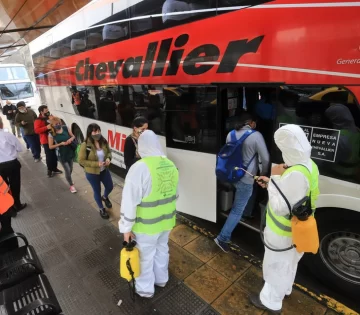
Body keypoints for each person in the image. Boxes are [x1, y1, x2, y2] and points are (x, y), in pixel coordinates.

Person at [250, 124, 320, 314]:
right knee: (289, 263)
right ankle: (284, 289)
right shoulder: (309, 165)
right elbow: (293, 194)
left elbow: (281, 207)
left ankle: (270, 301)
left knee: (276, 265)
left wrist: (271, 183)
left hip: (283, 232)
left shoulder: (296, 173)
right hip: (298, 229)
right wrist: (273, 183)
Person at [119, 130, 179, 298]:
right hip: (166, 222)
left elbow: (129, 202)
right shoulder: (170, 165)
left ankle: (145, 290)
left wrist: (126, 229)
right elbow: (176, 194)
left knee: (145, 257)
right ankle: (161, 279)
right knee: (162, 250)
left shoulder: (139, 168)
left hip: (146, 226)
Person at [214, 112, 270, 253]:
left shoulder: (230, 134)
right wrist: (263, 175)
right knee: (237, 209)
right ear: (251, 122)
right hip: (246, 178)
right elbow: (266, 158)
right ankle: (222, 238)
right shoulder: (256, 136)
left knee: (240, 202)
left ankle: (247, 213)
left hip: (232, 175)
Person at [79, 123, 113, 219]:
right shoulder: (85, 145)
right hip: (92, 173)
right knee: (97, 190)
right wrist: (96, 164)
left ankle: (105, 197)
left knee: (110, 186)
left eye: (98, 131)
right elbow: (81, 160)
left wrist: (108, 159)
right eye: (94, 131)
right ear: (90, 133)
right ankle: (101, 209)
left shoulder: (103, 141)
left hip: (104, 170)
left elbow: (109, 153)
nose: (97, 133)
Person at [0, 116, 27, 213]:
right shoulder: (7, 135)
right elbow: (20, 148)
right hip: (12, 164)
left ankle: (9, 208)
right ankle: (17, 204)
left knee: (3, 187)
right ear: (1, 124)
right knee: (15, 185)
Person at [48, 117, 77, 193]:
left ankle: (69, 178)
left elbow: (73, 136)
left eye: (59, 123)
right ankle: (71, 185)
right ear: (52, 125)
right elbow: (50, 146)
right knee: (67, 170)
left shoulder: (65, 128)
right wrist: (60, 144)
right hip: (61, 154)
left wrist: (70, 139)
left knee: (70, 168)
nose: (58, 125)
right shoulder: (51, 134)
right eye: (56, 124)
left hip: (69, 151)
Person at [34, 105, 63, 177]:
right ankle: (49, 170)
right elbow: (37, 130)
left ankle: (55, 168)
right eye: (46, 111)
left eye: (47, 110)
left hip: (53, 138)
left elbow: (56, 123)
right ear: (41, 112)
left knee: (54, 155)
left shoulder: (50, 116)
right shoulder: (38, 120)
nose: (47, 112)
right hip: (46, 140)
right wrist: (46, 127)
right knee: (49, 155)